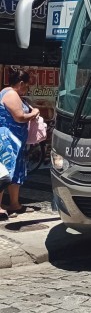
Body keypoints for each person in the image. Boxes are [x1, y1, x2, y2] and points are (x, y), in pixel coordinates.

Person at [0, 68, 39, 218]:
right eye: (27, 85)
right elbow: (19, 117)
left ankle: (14, 204)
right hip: (7, 139)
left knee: (15, 171)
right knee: (5, 171)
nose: (27, 89)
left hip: (15, 139)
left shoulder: (14, 94)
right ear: (21, 83)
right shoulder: (10, 94)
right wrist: (34, 113)